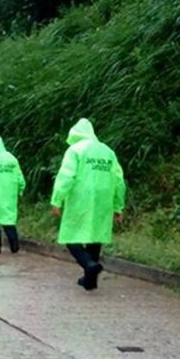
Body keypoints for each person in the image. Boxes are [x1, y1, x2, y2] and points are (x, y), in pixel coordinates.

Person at [50, 118, 126, 290]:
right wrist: (118, 206)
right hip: (103, 199)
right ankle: (90, 281)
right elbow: (119, 181)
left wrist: (57, 200)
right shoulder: (108, 152)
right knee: (95, 236)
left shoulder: (75, 150)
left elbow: (66, 176)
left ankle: (88, 264)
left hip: (80, 198)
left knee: (70, 236)